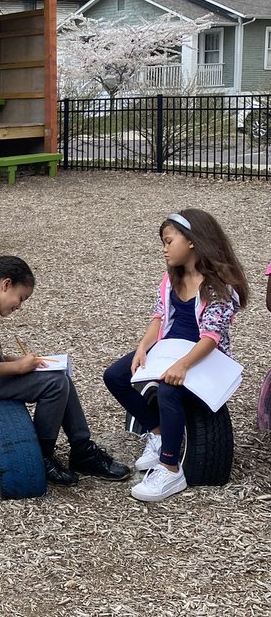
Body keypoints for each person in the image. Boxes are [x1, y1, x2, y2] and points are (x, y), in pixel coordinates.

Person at [0, 251, 129, 487]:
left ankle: (82, 449)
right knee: (55, 384)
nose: (19, 306)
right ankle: (41, 455)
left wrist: (20, 361)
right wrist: (19, 367)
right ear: (6, 284)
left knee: (59, 376)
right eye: (20, 298)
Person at [103, 209, 248, 503]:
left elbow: (211, 337)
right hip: (169, 348)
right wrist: (143, 346)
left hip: (201, 354)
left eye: (169, 241)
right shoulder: (171, 279)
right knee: (116, 376)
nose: (164, 248)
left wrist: (182, 366)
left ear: (191, 241)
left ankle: (170, 468)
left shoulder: (217, 285)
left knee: (169, 388)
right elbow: (159, 317)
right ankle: (157, 432)